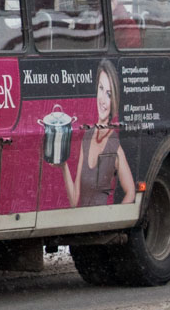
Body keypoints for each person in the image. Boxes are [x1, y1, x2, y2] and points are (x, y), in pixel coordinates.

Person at [58, 59, 135, 207]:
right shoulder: (87, 136)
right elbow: (74, 200)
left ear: (114, 100)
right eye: (101, 88)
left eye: (109, 94)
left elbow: (131, 192)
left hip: (102, 223)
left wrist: (114, 220)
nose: (103, 100)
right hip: (84, 222)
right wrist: (63, 165)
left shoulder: (114, 146)